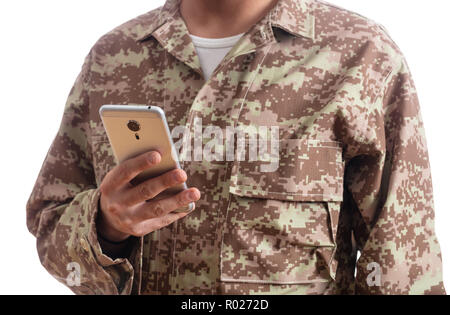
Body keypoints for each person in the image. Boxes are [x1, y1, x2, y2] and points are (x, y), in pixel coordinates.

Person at [26, 0, 446, 295]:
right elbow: (50, 223)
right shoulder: (112, 58)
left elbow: (401, 262)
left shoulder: (362, 57)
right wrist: (106, 225)